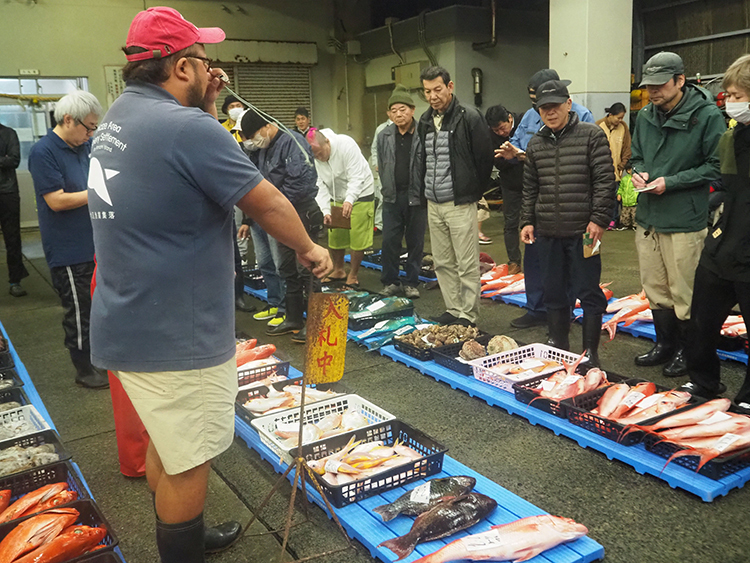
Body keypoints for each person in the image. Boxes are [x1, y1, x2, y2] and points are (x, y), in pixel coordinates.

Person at [86, 8, 331, 563]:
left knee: (164, 442)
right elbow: (265, 199)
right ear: (178, 67)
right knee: (188, 456)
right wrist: (310, 249)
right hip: (178, 332)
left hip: (129, 317)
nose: (213, 70)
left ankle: (187, 535)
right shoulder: (186, 127)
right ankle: (183, 550)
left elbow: (187, 174)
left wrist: (210, 100)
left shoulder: (119, 119)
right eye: (204, 60)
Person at [630, 51, 725, 377]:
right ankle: (665, 344)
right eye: (648, 86)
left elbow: (715, 167)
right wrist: (639, 173)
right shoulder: (644, 117)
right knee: (655, 286)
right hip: (648, 217)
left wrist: (670, 183)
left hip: (684, 217)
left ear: (680, 81)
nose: (653, 92)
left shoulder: (707, 116)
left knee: (684, 290)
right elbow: (637, 156)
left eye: (660, 85)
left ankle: (689, 351)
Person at [520, 79, 615, 366]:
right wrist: (527, 221)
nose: (550, 113)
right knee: (553, 291)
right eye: (543, 108)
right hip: (548, 232)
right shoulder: (535, 144)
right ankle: (559, 347)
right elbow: (530, 189)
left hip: (584, 232)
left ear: (569, 104)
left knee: (588, 291)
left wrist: (598, 219)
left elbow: (604, 181)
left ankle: (590, 353)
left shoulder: (591, 135)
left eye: (555, 106)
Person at [497, 69, 595, 329]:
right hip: (541, 202)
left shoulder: (583, 117)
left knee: (575, 262)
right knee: (536, 258)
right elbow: (522, 146)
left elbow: (594, 168)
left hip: (574, 205)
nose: (543, 109)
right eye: (536, 102)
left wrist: (597, 216)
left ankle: (569, 309)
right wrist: (512, 151)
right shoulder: (531, 116)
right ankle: (538, 308)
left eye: (547, 102)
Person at [679, 54, 750, 410]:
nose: (732, 103)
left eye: (739, 95)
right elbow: (726, 180)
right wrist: (717, 194)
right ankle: (704, 380)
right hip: (723, 242)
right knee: (702, 320)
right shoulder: (733, 137)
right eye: (730, 96)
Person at [27, 91, 108, 389]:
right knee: (79, 310)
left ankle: (97, 359)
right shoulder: (43, 151)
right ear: (68, 119)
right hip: (68, 248)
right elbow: (56, 201)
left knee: (97, 307)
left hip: (93, 242)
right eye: (88, 127)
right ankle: (83, 368)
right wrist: (100, 193)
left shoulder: (83, 149)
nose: (90, 134)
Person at [418, 66, 493, 327]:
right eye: (427, 91)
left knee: (466, 262)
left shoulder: (469, 117)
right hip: (434, 202)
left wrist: (473, 191)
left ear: (450, 87)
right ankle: (452, 309)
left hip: (460, 202)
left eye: (437, 89)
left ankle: (468, 315)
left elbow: (484, 159)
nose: (433, 96)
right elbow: (422, 159)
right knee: (442, 262)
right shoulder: (425, 120)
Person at [239, 108, 322, 340]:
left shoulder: (291, 141)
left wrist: (275, 207)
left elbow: (301, 183)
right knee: (286, 268)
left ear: (266, 126)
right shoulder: (265, 148)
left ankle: (315, 322)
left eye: (253, 135)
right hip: (281, 217)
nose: (254, 142)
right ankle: (294, 317)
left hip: (301, 212)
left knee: (308, 269)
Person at [306, 127, 375, 287]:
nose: (319, 158)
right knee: (336, 235)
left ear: (327, 143)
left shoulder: (346, 144)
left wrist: (350, 199)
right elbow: (319, 185)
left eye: (320, 153)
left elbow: (356, 176)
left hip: (361, 192)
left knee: (358, 237)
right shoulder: (313, 157)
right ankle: (338, 270)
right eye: (315, 156)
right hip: (335, 195)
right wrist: (325, 210)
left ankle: (354, 274)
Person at [377, 84, 426, 299]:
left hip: (416, 194)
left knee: (415, 241)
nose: (398, 114)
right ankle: (391, 281)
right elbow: (381, 162)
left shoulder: (423, 132)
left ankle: (411, 282)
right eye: (393, 110)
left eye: (402, 109)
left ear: (413, 110)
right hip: (391, 195)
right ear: (389, 114)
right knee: (389, 241)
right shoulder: (384, 135)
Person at [485, 104, 523, 274]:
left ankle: (539, 261)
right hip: (510, 185)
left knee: (538, 224)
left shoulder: (524, 122)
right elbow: (498, 162)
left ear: (509, 118)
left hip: (533, 182)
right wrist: (518, 157)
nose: (500, 133)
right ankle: (514, 262)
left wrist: (514, 156)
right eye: (496, 131)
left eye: (502, 128)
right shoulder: (490, 135)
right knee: (510, 224)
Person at [0, 121, 28, 297]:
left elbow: (14, 159)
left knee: (12, 238)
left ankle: (15, 281)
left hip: (7, 192)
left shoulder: (8, 134)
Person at [595, 102, 631, 230]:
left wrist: (622, 165)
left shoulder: (623, 127)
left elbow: (627, 148)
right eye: (618, 117)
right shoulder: (598, 125)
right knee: (602, 197)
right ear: (610, 115)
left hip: (617, 171)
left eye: (622, 118)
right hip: (600, 171)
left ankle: (613, 220)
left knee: (615, 198)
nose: (620, 120)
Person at [370, 111, 392, 233]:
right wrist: (376, 163)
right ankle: (379, 224)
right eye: (393, 110)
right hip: (384, 169)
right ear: (388, 113)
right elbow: (374, 148)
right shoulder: (381, 129)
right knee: (383, 197)